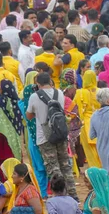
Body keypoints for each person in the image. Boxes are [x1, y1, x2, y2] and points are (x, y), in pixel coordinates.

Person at [26, 72, 78, 200]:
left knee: (53, 167)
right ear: (50, 81)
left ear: (38, 83)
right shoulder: (59, 93)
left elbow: (29, 116)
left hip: (44, 135)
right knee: (65, 165)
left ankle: (60, 195)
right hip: (60, 132)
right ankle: (73, 195)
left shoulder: (34, 96)